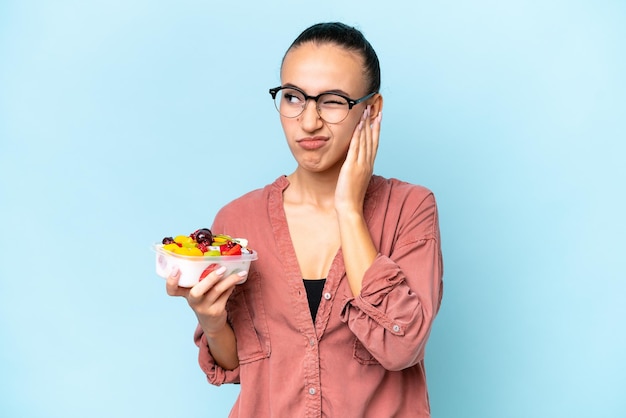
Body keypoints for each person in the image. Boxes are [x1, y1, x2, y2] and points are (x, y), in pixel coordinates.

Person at [166, 21, 444, 418]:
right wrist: (210, 321)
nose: (308, 121)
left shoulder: (410, 209)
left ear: (371, 109)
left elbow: (401, 346)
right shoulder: (238, 220)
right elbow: (244, 366)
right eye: (293, 97)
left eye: (332, 101)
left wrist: (348, 207)